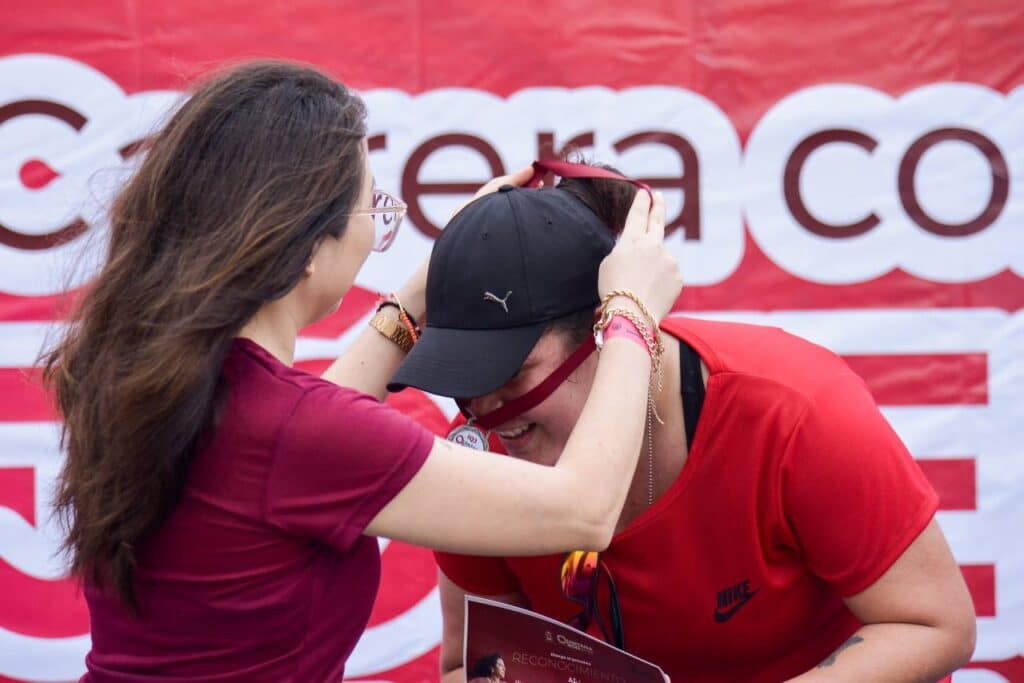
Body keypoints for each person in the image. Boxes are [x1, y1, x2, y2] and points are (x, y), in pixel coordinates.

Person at [42, 62, 682, 681]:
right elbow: (584, 508)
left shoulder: (163, 385)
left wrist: (435, 282)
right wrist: (631, 310)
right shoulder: (292, 429)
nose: (374, 228)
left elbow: (297, 441)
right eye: (369, 208)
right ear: (304, 242)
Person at [388, 162, 978, 683]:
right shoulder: (476, 460)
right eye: (463, 377)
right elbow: (470, 663)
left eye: (510, 370)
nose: (486, 411)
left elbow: (934, 624)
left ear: (611, 327)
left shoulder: (793, 410)